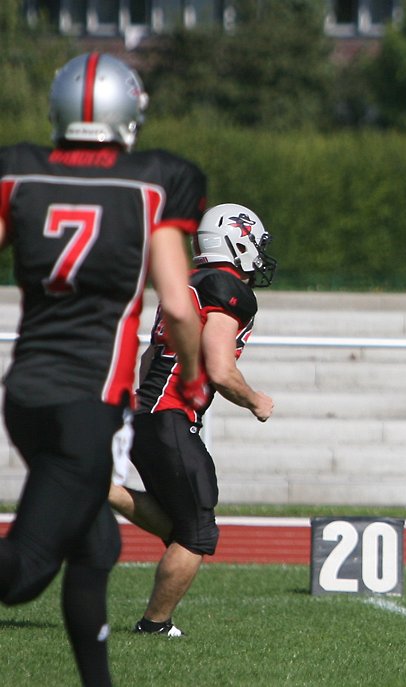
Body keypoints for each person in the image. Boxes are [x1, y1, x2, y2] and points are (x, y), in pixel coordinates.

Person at [0, 52, 207, 685]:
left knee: (97, 546)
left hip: (25, 395)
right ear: (129, 113)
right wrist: (191, 374)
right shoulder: (155, 182)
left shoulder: (18, 171)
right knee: (21, 575)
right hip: (88, 400)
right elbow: (179, 305)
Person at [108, 203, 276, 637]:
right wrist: (255, 401)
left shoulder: (188, 283)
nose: (259, 253)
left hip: (146, 414)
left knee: (179, 525)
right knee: (198, 535)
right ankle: (154, 625)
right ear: (238, 241)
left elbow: (150, 358)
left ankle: (100, 488)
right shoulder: (226, 287)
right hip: (171, 415)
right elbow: (220, 369)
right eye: (256, 243)